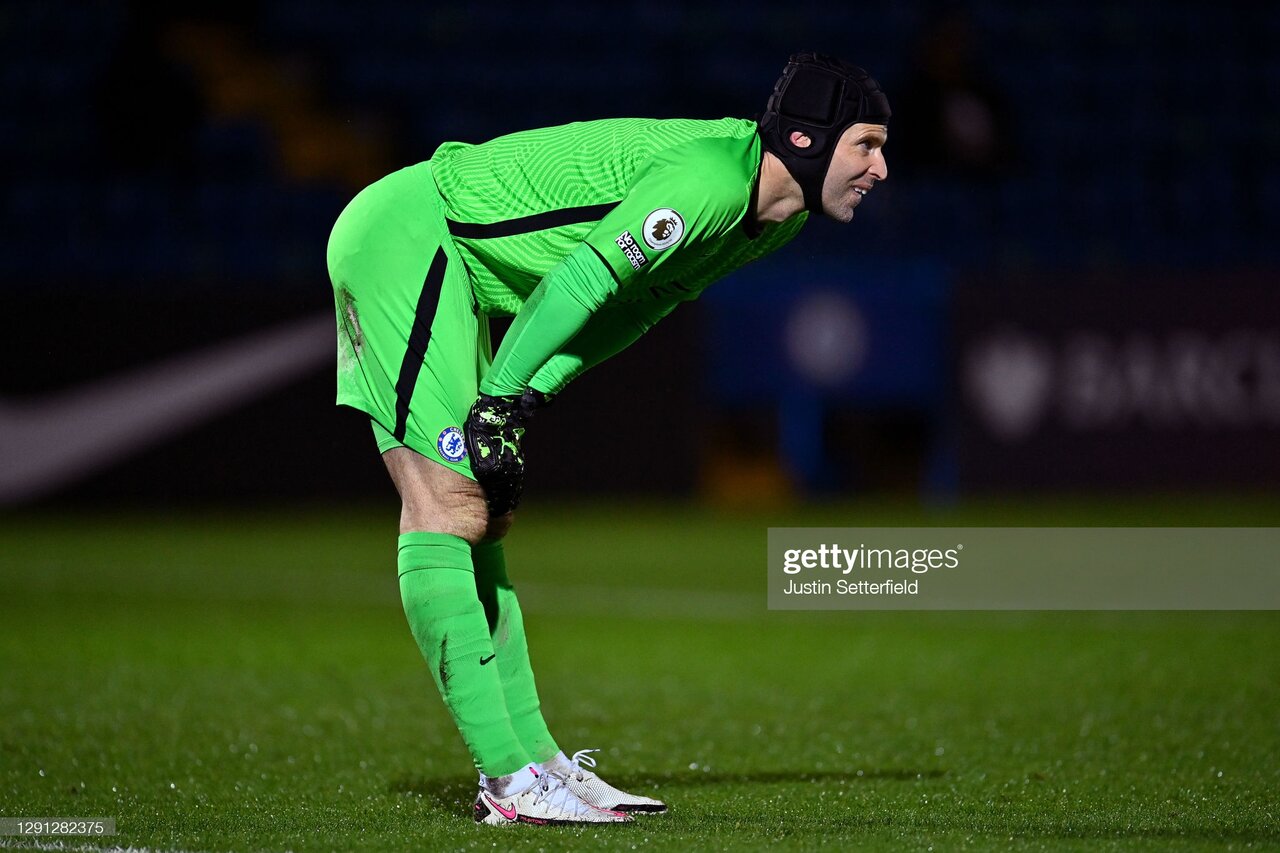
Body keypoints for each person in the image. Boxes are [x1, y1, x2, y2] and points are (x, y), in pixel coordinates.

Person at [326, 52, 890, 827]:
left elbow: (634, 307)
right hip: (409, 235)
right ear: (806, 142)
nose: (880, 167)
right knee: (446, 504)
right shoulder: (711, 182)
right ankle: (508, 780)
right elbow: (582, 282)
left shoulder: (772, 224)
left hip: (456, 262)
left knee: (486, 512)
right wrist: (497, 398)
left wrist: (525, 396)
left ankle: (540, 764)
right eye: (867, 144)